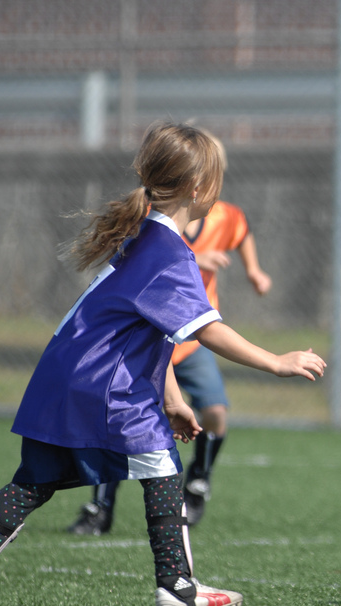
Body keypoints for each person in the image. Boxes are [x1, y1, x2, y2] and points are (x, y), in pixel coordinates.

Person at [0, 121, 325, 606]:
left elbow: (149, 333)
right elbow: (206, 330)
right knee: (162, 470)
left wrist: (174, 401)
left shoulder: (137, 240)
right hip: (106, 387)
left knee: (33, 480)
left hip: (60, 376)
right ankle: (178, 589)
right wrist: (276, 361)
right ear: (200, 190)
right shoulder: (170, 254)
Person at [69, 188, 273, 534]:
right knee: (121, 431)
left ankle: (196, 485)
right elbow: (156, 270)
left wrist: (254, 270)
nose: (219, 189)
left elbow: (242, 231)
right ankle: (102, 508)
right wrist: (276, 363)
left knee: (214, 412)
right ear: (195, 187)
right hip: (147, 345)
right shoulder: (157, 228)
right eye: (214, 177)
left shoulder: (224, 216)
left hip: (186, 344)